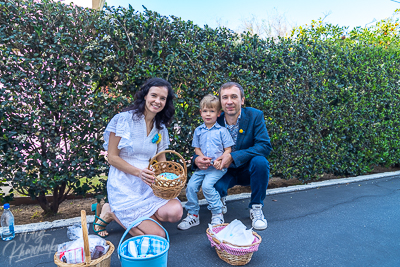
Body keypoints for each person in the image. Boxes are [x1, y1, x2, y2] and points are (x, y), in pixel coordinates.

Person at [92, 78, 183, 238]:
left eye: (163, 98)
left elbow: (161, 161)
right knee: (159, 236)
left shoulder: (160, 127)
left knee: (175, 212)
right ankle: (113, 211)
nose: (157, 101)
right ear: (145, 96)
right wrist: (138, 172)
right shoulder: (123, 119)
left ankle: (133, 217)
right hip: (124, 183)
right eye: (154, 95)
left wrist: (167, 181)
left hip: (149, 183)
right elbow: (112, 158)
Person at [194, 82, 272, 230]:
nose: (229, 101)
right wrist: (196, 159)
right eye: (225, 97)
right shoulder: (214, 119)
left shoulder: (255, 116)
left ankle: (256, 207)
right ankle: (219, 200)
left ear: (242, 100)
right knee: (212, 181)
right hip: (222, 171)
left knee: (261, 162)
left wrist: (233, 156)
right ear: (221, 102)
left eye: (234, 97)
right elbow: (202, 146)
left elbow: (264, 146)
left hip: (247, 169)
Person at [177, 94, 234, 230]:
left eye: (212, 111)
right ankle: (193, 215)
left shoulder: (222, 131)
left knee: (207, 186)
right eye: (205, 111)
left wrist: (221, 160)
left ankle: (217, 213)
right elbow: (196, 149)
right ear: (200, 112)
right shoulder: (198, 130)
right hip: (202, 168)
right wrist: (202, 158)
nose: (208, 114)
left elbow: (228, 150)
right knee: (190, 187)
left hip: (216, 168)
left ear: (219, 113)